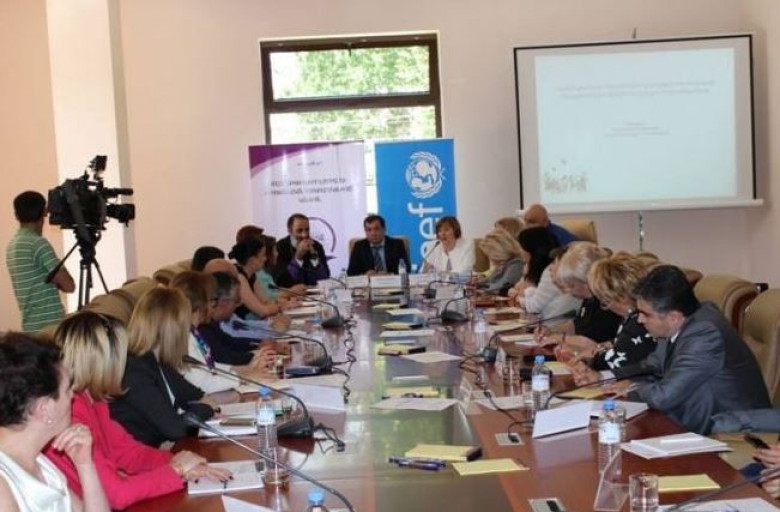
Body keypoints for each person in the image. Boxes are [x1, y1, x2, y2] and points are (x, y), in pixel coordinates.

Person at [45, 312, 229, 510]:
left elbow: (129, 453)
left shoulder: (93, 400)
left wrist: (183, 463)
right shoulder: (68, 413)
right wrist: (177, 470)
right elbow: (117, 495)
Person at [572, 265, 770, 435]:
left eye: (645, 314)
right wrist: (602, 377)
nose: (639, 320)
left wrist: (631, 388)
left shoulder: (704, 334)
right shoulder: (684, 318)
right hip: (692, 413)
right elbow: (653, 363)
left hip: (728, 427)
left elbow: (663, 397)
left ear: (673, 317)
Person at [0, 332, 109, 512]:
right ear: (44, 409)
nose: (73, 396)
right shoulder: (4, 487)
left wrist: (85, 465)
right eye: (67, 390)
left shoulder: (39, 461)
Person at [109, 287, 222, 447]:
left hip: (161, 448)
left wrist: (204, 407)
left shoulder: (157, 360)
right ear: (174, 329)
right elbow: (175, 428)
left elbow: (197, 395)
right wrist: (207, 409)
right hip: (140, 455)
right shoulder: (134, 369)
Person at [169, 271, 277, 393]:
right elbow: (204, 384)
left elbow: (211, 367)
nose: (214, 306)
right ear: (201, 304)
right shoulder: (185, 338)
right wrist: (244, 378)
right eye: (212, 300)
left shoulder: (193, 332)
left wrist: (246, 369)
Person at [557, 252, 656, 371]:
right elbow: (618, 343)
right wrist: (595, 350)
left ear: (621, 296)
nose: (607, 308)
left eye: (606, 302)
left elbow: (615, 362)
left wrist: (587, 358)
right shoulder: (631, 317)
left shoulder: (639, 321)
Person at [6, 191, 75, 332]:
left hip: (30, 326)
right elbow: (69, 286)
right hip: (50, 328)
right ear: (45, 212)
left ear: (16, 215)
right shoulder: (38, 244)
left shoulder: (13, 245)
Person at [542, 242, 621, 343]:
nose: (568, 291)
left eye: (572, 286)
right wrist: (551, 330)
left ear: (587, 281)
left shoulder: (607, 304)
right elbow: (577, 325)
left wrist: (558, 338)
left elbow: (591, 341)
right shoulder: (588, 299)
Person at [508, 227, 580, 320]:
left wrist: (518, 297)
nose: (519, 252)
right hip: (548, 321)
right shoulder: (541, 267)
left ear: (530, 250)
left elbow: (534, 307)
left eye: (521, 248)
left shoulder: (551, 270)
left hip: (553, 324)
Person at [229, 238, 282, 320]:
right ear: (252, 260)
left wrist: (276, 305)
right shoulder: (239, 278)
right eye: (263, 255)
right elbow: (262, 311)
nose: (265, 259)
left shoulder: (252, 275)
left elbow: (266, 301)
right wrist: (279, 307)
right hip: (241, 325)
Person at [272, 213, 330, 287]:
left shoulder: (316, 246)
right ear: (290, 231)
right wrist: (298, 258)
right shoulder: (280, 247)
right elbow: (282, 281)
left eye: (307, 230)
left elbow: (325, 277)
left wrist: (314, 256)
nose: (304, 235)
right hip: (290, 293)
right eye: (299, 231)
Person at [476, 228, 525, 294]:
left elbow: (500, 288)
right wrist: (478, 283)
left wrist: (482, 287)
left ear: (497, 252)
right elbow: (490, 281)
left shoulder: (517, 264)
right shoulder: (503, 264)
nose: (489, 258)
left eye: (489, 254)